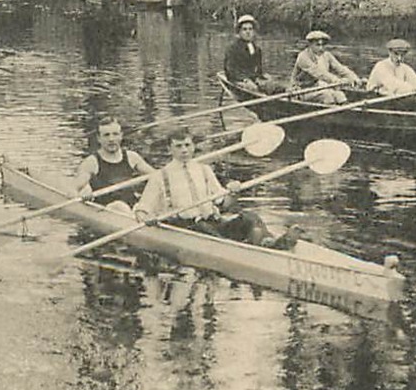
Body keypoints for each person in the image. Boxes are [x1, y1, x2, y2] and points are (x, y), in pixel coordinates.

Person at [132, 127, 295, 248]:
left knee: (250, 217)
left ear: (193, 146)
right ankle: (258, 248)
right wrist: (147, 218)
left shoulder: (204, 170)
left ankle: (270, 242)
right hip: (187, 227)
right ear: (169, 149)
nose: (184, 150)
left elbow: (224, 204)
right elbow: (142, 209)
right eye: (179, 146)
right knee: (210, 233)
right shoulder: (159, 176)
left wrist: (233, 192)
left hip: (213, 223)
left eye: (187, 145)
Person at [72, 117, 156, 212]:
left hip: (132, 206)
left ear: (121, 136)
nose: (111, 139)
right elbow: (72, 189)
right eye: (106, 135)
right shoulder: (91, 162)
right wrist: (83, 192)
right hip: (108, 209)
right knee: (120, 206)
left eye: (115, 134)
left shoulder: (132, 157)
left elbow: (158, 177)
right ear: (99, 138)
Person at [364, 38, 416, 109]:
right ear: (389, 52)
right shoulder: (381, 66)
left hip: (393, 98)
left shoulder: (405, 68)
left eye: (402, 55)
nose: (399, 58)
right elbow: (394, 84)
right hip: (375, 99)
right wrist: (414, 89)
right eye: (396, 54)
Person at [290, 30, 361, 104]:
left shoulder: (327, 55)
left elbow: (341, 68)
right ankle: (332, 113)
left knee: (340, 95)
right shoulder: (303, 57)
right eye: (317, 45)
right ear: (310, 45)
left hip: (317, 87)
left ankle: (345, 112)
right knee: (327, 96)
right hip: (301, 91)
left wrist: (354, 77)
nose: (321, 48)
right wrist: (335, 80)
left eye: (323, 45)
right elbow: (319, 73)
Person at [223, 15, 285, 94]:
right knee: (253, 88)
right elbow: (230, 71)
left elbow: (258, 70)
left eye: (250, 29)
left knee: (274, 85)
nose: (248, 32)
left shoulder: (257, 49)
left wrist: (262, 76)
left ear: (254, 32)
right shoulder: (232, 49)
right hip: (238, 80)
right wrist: (244, 79)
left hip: (252, 78)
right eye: (244, 29)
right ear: (239, 32)